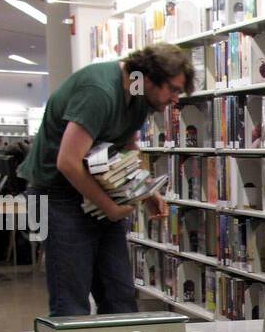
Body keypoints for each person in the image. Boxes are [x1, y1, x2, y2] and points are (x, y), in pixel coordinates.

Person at [19, 43, 189, 317]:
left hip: (97, 188)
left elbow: (127, 143)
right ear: (149, 78)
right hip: (58, 194)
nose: (175, 99)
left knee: (119, 297)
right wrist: (110, 208)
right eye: (173, 89)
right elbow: (68, 162)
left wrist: (143, 189)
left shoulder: (138, 93)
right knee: (71, 302)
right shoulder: (99, 92)